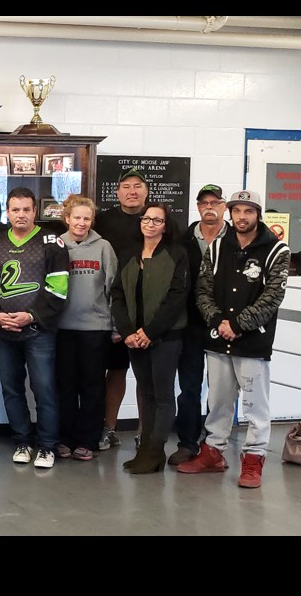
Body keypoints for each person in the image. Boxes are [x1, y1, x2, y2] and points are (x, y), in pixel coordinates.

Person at [179, 190, 290, 488]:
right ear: (230, 213)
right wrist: (217, 321)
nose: (242, 217)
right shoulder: (216, 248)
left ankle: (253, 459)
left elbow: (273, 296)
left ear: (258, 214)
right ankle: (213, 452)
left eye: (248, 211)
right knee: (217, 401)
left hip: (252, 341)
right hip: (217, 338)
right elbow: (202, 289)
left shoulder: (277, 250)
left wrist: (239, 324)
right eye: (237, 211)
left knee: (255, 405)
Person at [0, 187, 68, 469]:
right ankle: (22, 440)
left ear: (35, 211)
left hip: (38, 331)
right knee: (11, 388)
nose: (21, 214)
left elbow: (58, 289)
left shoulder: (51, 243)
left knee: (44, 389)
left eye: (26, 209)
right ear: (7, 212)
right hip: (4, 331)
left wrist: (31, 315)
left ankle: (46, 446)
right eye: (15, 209)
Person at [110, 203, 189, 474]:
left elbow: (177, 297)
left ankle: (156, 451)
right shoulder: (128, 254)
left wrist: (150, 332)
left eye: (158, 220)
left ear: (166, 226)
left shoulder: (177, 254)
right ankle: (144, 448)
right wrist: (129, 331)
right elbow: (117, 295)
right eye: (147, 219)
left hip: (165, 336)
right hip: (134, 337)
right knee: (146, 392)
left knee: (163, 395)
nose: (150, 224)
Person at [170, 184, 230, 466]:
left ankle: (216, 445)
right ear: (197, 206)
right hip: (191, 324)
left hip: (227, 324)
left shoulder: (237, 239)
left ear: (224, 206)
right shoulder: (181, 241)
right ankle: (188, 442)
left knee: (222, 389)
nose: (210, 206)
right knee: (190, 386)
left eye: (215, 202)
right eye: (204, 202)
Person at [55, 194, 117, 462]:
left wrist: (116, 326)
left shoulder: (103, 247)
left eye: (87, 218)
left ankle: (87, 441)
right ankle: (65, 438)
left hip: (96, 328)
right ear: (67, 218)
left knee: (92, 387)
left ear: (92, 220)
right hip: (62, 328)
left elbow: (114, 289)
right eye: (76, 217)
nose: (81, 223)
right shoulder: (57, 246)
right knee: (65, 385)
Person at [93, 167, 149, 450]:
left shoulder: (156, 219)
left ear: (146, 191)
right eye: (126, 186)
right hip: (113, 307)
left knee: (145, 374)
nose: (132, 191)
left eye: (137, 186)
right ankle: (109, 428)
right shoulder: (103, 221)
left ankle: (143, 432)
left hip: (146, 310)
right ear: (117, 192)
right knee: (115, 370)